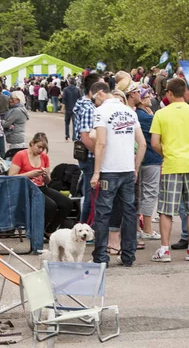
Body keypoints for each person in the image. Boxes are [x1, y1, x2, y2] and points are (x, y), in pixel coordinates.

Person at [150, 78, 189, 262]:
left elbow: (155, 143)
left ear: (169, 93)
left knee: (166, 210)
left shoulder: (161, 114)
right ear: (185, 92)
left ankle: (164, 249)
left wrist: (167, 153)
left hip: (171, 165)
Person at [90, 82, 146, 267]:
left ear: (100, 93)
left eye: (94, 98)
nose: (94, 102)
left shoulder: (101, 112)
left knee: (103, 212)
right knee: (129, 212)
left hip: (109, 169)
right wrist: (136, 168)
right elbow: (142, 143)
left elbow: (100, 143)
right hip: (127, 168)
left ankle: (100, 256)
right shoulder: (130, 111)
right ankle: (129, 255)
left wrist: (96, 172)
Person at [9, 133, 72, 237]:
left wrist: (45, 175)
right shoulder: (21, 155)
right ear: (32, 143)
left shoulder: (44, 157)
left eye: (43, 148)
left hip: (41, 187)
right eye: (39, 147)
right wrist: (30, 174)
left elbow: (48, 182)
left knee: (67, 203)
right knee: (51, 205)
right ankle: (37, 230)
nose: (40, 150)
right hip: (26, 188)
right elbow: (11, 177)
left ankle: (49, 229)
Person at [134, 87, 162, 242]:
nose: (150, 97)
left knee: (139, 194)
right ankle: (148, 228)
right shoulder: (146, 118)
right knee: (150, 193)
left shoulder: (138, 115)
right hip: (151, 158)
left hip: (139, 159)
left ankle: (138, 227)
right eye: (147, 95)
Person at [73, 73, 101, 223]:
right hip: (90, 158)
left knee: (90, 194)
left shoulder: (85, 104)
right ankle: (85, 228)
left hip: (88, 157)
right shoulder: (89, 108)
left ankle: (84, 228)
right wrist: (99, 154)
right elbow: (85, 137)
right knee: (91, 196)